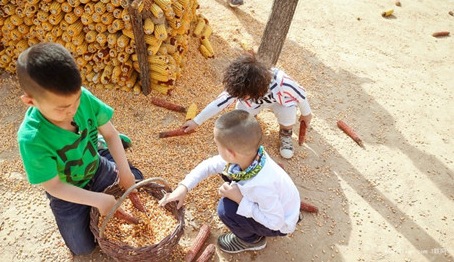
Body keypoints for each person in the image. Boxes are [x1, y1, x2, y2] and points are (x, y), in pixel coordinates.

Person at [16, 42, 145, 256]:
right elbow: (54, 186)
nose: (73, 110)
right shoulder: (32, 138)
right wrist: (97, 200)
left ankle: (100, 151)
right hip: (66, 191)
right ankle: (98, 158)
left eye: (75, 101)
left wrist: (124, 171)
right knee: (82, 247)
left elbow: (111, 133)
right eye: (62, 109)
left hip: (95, 167)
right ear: (30, 101)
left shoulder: (83, 97)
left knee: (135, 179)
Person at [160, 110, 301, 253]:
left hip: (281, 223)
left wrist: (240, 200)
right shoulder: (252, 155)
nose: (216, 148)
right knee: (228, 183)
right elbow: (208, 165)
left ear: (230, 154)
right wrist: (183, 187)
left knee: (226, 210)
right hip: (279, 206)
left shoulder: (261, 186)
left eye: (217, 145)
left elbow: (275, 223)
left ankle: (252, 240)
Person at [183, 53, 312, 159]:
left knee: (288, 111)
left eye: (242, 95)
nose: (239, 96)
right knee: (240, 112)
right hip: (254, 102)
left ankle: (285, 134)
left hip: (279, 102)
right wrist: (196, 121)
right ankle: (248, 126)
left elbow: (301, 95)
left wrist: (306, 113)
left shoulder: (283, 83)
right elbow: (219, 103)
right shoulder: (240, 86)